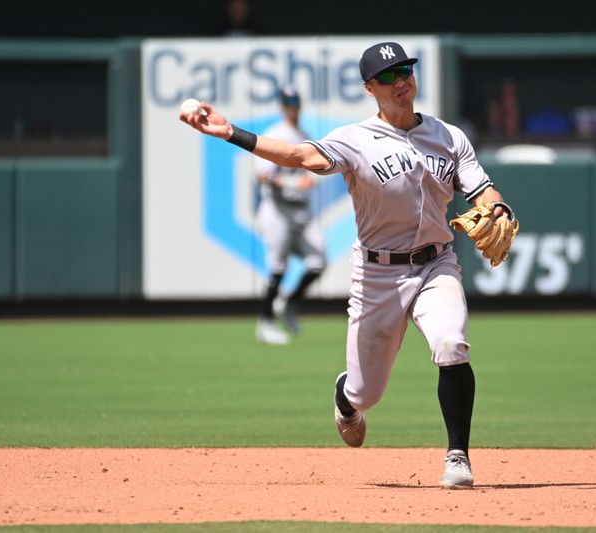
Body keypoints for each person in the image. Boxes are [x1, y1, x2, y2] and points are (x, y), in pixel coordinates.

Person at [180, 41, 517, 489]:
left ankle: (457, 455)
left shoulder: (449, 136)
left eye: (406, 71)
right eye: (389, 76)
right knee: (366, 393)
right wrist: (231, 133)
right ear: (369, 88)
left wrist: (499, 208)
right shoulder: (354, 140)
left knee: (451, 343)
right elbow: (300, 157)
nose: (401, 81)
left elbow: (483, 191)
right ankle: (345, 398)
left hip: (437, 264)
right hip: (378, 275)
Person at [253, 86, 327, 345]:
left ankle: (289, 303)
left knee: (318, 261)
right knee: (278, 267)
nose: (292, 107)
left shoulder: (304, 135)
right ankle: (265, 322)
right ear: (282, 106)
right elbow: (263, 174)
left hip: (302, 210)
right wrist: (294, 184)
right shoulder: (275, 135)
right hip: (277, 209)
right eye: (288, 103)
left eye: (295, 102)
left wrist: (309, 180)